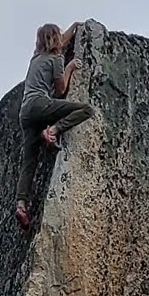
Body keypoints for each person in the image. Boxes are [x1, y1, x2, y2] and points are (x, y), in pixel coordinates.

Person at [14, 21, 95, 230]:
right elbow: (60, 90)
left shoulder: (35, 58)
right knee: (86, 110)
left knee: (29, 162)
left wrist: (75, 26)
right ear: (55, 38)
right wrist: (69, 67)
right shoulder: (57, 59)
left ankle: (21, 203)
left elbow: (60, 41)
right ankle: (53, 131)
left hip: (25, 113)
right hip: (41, 104)